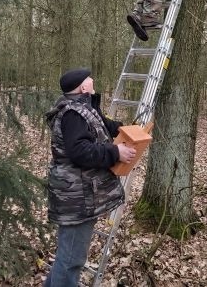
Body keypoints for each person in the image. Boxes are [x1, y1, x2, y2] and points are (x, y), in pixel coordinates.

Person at [44, 68, 136, 287]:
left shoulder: (83, 109)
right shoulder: (73, 114)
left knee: (68, 257)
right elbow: (80, 152)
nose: (93, 79)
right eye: (89, 78)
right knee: (71, 261)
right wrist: (116, 152)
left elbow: (103, 124)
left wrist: (127, 131)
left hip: (78, 193)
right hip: (76, 196)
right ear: (83, 87)